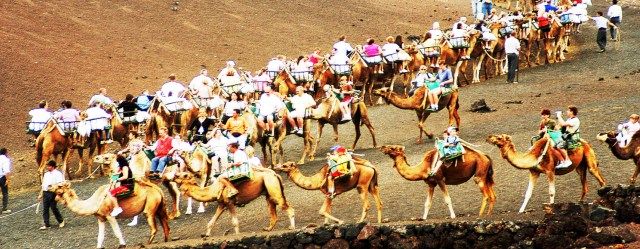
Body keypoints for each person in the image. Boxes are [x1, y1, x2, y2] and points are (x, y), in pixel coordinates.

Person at [39, 160, 65, 230]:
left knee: (53, 207)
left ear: (53, 166)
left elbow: (61, 184)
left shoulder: (58, 174)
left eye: (49, 166)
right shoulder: (46, 174)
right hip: (46, 192)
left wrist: (58, 194)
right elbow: (43, 185)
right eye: (47, 166)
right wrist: (40, 194)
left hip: (53, 192)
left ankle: (61, 221)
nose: (47, 167)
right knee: (45, 209)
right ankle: (46, 224)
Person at [0, 148, 11, 214]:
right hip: (2, 177)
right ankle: (4, 209)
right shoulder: (6, 160)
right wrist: (7, 179)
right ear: (5, 153)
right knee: (5, 193)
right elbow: (6, 170)